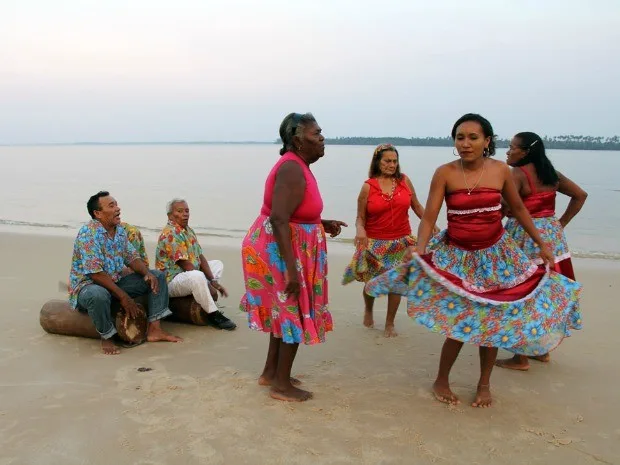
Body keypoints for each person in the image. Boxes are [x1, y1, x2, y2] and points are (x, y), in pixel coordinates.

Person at [364, 114, 582, 408]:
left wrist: (542, 243)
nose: (465, 144)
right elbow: (429, 216)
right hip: (458, 256)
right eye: (460, 137)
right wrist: (421, 247)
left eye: (473, 138)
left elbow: (517, 208)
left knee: (490, 323)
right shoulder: (444, 173)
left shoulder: (501, 171)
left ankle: (484, 384)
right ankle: (442, 379)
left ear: (487, 141)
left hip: (496, 257)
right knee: (461, 321)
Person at [240, 112, 347, 402]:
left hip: (287, 245)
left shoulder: (298, 166)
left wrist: (320, 223)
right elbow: (278, 218)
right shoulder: (291, 168)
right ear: (298, 140)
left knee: (285, 310)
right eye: (316, 134)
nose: (322, 138)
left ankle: (272, 373)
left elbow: (294, 211)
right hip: (280, 250)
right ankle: (282, 386)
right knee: (292, 310)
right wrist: (291, 270)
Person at [496, 132, 587, 371]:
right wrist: (561, 222)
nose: (507, 151)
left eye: (512, 147)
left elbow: (506, 207)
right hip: (553, 239)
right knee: (544, 293)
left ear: (525, 152)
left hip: (524, 238)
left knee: (521, 293)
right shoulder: (551, 174)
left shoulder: (517, 175)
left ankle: (520, 357)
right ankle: (543, 351)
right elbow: (580, 195)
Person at [69, 191, 182, 355]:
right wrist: (123, 297)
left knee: (157, 276)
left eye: (116, 204)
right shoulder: (89, 233)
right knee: (98, 295)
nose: (118, 208)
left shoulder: (119, 230)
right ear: (97, 213)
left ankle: (155, 330)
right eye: (111, 206)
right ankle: (106, 336)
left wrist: (146, 273)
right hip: (89, 286)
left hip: (114, 282)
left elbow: (131, 257)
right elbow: (95, 274)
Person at [343, 143, 438, 337]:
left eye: (395, 161)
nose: (392, 164)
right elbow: (360, 217)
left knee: (396, 282)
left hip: (401, 242)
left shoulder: (404, 181)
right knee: (371, 283)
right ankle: (369, 310)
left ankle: (389, 323)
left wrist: (431, 225)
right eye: (387, 161)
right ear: (378, 162)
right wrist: (360, 230)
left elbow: (418, 207)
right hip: (375, 243)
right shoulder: (368, 187)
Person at [155, 198, 236, 330]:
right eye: (180, 211)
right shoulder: (170, 233)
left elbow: (200, 257)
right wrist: (209, 285)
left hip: (186, 275)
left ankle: (203, 294)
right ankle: (213, 314)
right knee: (196, 276)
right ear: (170, 215)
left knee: (217, 264)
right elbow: (185, 264)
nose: (185, 214)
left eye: (187, 211)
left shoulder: (188, 230)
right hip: (171, 281)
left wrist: (213, 281)